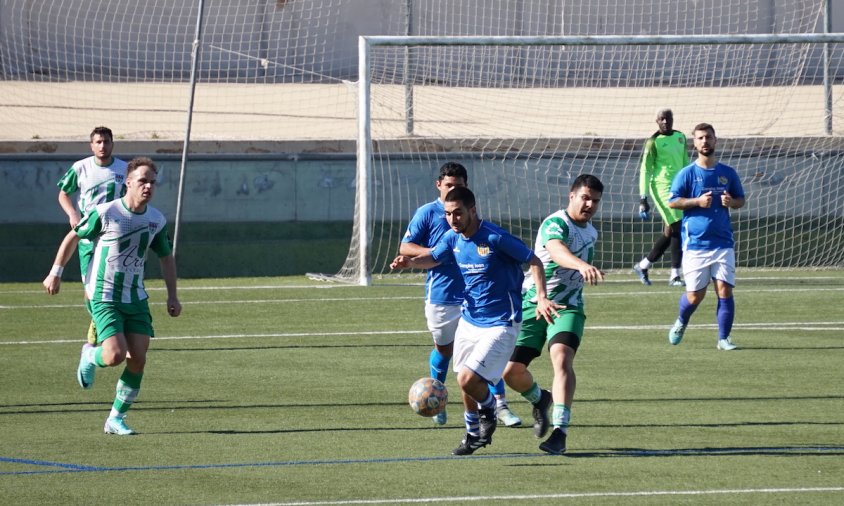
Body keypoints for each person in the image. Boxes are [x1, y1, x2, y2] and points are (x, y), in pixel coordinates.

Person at [391, 187, 560, 455]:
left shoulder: (495, 237)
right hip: (470, 320)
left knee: (470, 378)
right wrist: (410, 263)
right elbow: (433, 258)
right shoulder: (452, 238)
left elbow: (534, 260)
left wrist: (541, 297)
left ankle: (489, 412)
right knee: (463, 380)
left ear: (472, 210)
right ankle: (478, 432)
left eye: (458, 213)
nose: (452, 219)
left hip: (502, 321)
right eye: (448, 214)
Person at [44, 156, 182, 435]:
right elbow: (74, 236)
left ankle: (115, 419)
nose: (148, 187)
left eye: (153, 182)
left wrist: (172, 295)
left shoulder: (156, 220)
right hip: (104, 295)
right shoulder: (107, 212)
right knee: (114, 356)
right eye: (143, 181)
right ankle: (89, 356)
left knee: (138, 359)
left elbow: (166, 258)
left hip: (136, 297)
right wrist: (56, 271)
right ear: (128, 182)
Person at [400, 162, 522, 428]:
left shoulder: (468, 214)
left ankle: (500, 405)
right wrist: (437, 253)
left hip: (475, 298)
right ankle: (437, 396)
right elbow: (405, 246)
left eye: (459, 186)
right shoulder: (428, 213)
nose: (453, 190)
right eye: (449, 185)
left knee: (485, 352)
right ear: (438, 185)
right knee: (444, 350)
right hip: (442, 294)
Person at [503, 174, 605, 455]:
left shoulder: (592, 231)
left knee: (561, 359)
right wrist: (581, 265)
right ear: (571, 196)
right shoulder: (556, 223)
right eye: (585, 198)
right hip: (534, 302)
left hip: (568, 307)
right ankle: (540, 399)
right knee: (511, 372)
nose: (589, 205)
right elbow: (556, 251)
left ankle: (560, 431)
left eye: (595, 201)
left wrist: (581, 268)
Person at [666, 123, 746, 350]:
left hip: (723, 243)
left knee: (724, 289)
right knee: (695, 297)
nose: (705, 141)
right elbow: (673, 201)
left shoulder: (727, 173)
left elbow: (741, 199)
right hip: (696, 245)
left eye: (708, 137)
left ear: (715, 140)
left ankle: (724, 339)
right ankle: (682, 320)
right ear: (694, 143)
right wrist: (697, 202)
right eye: (700, 138)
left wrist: (732, 202)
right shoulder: (687, 174)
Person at [57, 126, 128, 345]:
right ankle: (97, 321)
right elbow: (63, 193)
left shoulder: (124, 169)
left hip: (114, 237)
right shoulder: (81, 168)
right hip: (88, 238)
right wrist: (72, 214)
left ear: (112, 144)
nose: (102, 146)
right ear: (91, 145)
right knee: (90, 289)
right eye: (98, 142)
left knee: (114, 286)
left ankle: (110, 328)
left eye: (106, 142)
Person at [633, 109, 689, 287]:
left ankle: (643, 265)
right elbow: (645, 169)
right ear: (656, 121)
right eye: (662, 119)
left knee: (670, 231)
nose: (665, 122)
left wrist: (690, 185)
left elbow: (685, 162)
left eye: (668, 118)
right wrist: (643, 198)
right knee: (678, 227)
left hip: (679, 186)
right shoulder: (653, 142)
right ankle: (674, 275)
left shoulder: (680, 137)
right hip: (661, 188)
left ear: (673, 119)